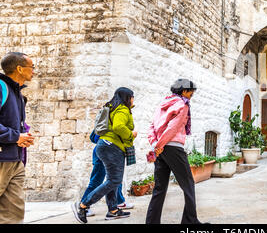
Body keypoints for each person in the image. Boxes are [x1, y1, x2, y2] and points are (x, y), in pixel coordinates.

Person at [72, 87, 137, 223]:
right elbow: (118, 127)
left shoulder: (112, 108)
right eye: (132, 97)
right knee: (114, 180)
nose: (133, 99)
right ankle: (83, 205)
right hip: (111, 147)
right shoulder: (122, 109)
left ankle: (113, 210)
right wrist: (131, 134)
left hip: (104, 146)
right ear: (127, 98)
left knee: (112, 179)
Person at [145, 79, 204, 224]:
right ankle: (190, 221)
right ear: (184, 91)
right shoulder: (182, 105)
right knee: (188, 183)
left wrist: (156, 145)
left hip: (161, 149)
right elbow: (173, 128)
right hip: (173, 148)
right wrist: (160, 145)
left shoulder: (162, 105)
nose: (192, 95)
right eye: (191, 92)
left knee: (159, 188)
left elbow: (152, 127)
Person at [0, 52, 35, 224]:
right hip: (2, 159)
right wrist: (15, 136)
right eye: (32, 67)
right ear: (19, 68)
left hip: (14, 160)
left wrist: (23, 136)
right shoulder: (1, 87)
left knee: (14, 213)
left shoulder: (18, 94)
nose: (34, 71)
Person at [79, 130, 134, 217]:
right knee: (97, 181)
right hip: (105, 151)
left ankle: (118, 202)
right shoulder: (107, 121)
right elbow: (94, 137)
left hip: (110, 150)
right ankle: (83, 205)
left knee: (115, 179)